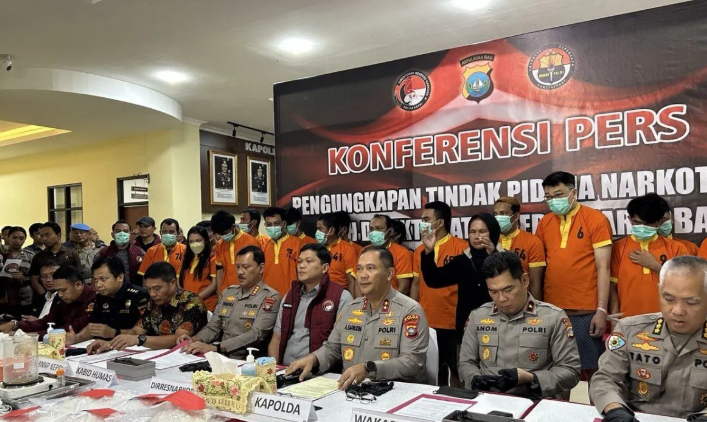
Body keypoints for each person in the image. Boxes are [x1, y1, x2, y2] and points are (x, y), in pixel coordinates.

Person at [286, 247, 429, 387]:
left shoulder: (409, 310)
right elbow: (332, 349)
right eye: (359, 269)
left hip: (395, 390)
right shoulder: (351, 309)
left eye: (370, 268)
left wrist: (369, 369)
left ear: (389, 273)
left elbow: (411, 361)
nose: (363, 275)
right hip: (351, 390)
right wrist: (313, 359)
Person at [590, 256, 707, 420]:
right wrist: (615, 410)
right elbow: (606, 378)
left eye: (691, 302)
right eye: (669, 299)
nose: (678, 311)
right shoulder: (630, 330)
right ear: (659, 291)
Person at [459, 252, 580, 398]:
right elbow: (466, 363)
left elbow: (570, 370)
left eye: (508, 289)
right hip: (488, 400)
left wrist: (533, 379)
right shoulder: (478, 317)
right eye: (493, 292)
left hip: (535, 401)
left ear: (524, 280)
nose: (501, 298)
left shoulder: (553, 318)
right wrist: (474, 378)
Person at [535, 171, 612, 380]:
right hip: (552, 312)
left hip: (586, 310)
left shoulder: (595, 219)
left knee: (593, 371)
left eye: (558, 195)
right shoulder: (544, 223)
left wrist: (601, 310)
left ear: (574, 193)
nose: (553, 201)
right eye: (548, 197)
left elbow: (604, 268)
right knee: (557, 371)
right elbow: (539, 269)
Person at [180, 246, 280, 358]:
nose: (240, 272)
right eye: (237, 267)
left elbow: (256, 334)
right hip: (220, 356)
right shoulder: (229, 292)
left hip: (248, 359)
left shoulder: (270, 296)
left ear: (261, 268)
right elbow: (213, 326)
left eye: (246, 267)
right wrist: (194, 339)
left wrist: (216, 347)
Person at [88, 262, 207, 353]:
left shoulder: (191, 301)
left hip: (189, 356)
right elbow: (136, 331)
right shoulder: (153, 302)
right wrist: (112, 344)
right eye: (149, 289)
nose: (152, 294)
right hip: (160, 355)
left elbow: (179, 339)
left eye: (157, 288)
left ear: (172, 283)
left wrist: (140, 339)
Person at [412, 201, 469, 387]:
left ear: (440, 222)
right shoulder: (419, 250)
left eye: (426, 219)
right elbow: (416, 283)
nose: (422, 223)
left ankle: (459, 401)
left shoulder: (462, 247)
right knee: (434, 371)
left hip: (453, 321)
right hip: (426, 322)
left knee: (457, 370)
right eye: (422, 219)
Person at [268, 244, 353, 365]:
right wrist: (274, 369)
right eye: (299, 261)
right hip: (285, 370)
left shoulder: (341, 297)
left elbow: (340, 345)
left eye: (309, 261)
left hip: (319, 371)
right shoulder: (290, 295)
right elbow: (276, 339)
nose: (301, 266)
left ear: (324, 268)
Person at [420, 213, 498, 340]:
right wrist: (429, 252)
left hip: (498, 324)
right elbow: (433, 280)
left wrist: (493, 255)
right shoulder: (463, 260)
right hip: (468, 329)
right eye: (472, 232)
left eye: (482, 231)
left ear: (493, 232)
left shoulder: (505, 257)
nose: (477, 236)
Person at [610, 194, 688, 318]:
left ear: (660, 222)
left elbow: (685, 286)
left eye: (648, 224)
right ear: (629, 219)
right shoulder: (618, 248)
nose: (642, 227)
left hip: (668, 319)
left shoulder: (676, 248)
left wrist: (656, 266)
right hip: (629, 319)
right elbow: (612, 288)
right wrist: (615, 319)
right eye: (637, 222)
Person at [67, 257, 149, 345]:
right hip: (106, 346)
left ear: (120, 277)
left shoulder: (139, 296)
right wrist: (76, 338)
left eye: (103, 279)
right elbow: (93, 327)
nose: (98, 285)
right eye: (95, 280)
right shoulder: (100, 297)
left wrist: (113, 333)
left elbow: (139, 332)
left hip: (136, 347)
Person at [0, 265, 95, 338]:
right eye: (57, 291)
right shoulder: (65, 299)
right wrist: (15, 324)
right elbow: (44, 322)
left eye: (63, 290)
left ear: (78, 285)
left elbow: (73, 329)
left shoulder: (94, 299)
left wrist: (31, 335)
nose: (60, 295)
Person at [493, 197, 547, 300]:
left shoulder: (533, 242)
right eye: (495, 214)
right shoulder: (488, 241)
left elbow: (535, 284)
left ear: (516, 216)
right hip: (493, 302)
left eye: (503, 213)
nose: (498, 217)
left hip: (523, 302)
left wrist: (535, 308)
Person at [28, 222, 81, 303]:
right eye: (42, 236)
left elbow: (77, 277)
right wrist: (44, 296)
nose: (44, 239)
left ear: (58, 235)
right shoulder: (38, 257)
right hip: (45, 298)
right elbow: (34, 280)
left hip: (67, 297)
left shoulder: (72, 254)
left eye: (47, 235)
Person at [211, 210, 259, 293]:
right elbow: (220, 271)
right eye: (220, 234)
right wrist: (219, 293)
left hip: (247, 290)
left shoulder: (251, 242)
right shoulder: (219, 245)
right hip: (227, 290)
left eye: (225, 233)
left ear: (233, 226)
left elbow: (256, 271)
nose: (223, 236)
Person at [366, 214, 414, 296]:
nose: (374, 232)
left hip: (392, 301)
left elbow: (404, 288)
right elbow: (359, 283)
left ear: (390, 231)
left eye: (379, 229)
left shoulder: (402, 253)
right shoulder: (364, 251)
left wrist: (384, 302)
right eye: (371, 229)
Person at [262, 207, 302, 296]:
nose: (273, 227)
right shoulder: (263, 247)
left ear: (283, 224)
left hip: (290, 296)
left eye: (276, 223)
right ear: (265, 225)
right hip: (267, 297)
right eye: (269, 224)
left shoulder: (298, 244)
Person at [315, 213, 358, 293]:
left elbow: (351, 282)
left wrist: (351, 300)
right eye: (317, 229)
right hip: (317, 294)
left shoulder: (347, 249)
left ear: (331, 230)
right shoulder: (315, 249)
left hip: (339, 295)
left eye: (320, 229)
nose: (317, 232)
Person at [180, 226, 217, 311]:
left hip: (207, 306)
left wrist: (195, 298)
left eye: (198, 240)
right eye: (191, 241)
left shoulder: (212, 258)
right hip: (188, 305)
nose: (195, 244)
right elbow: (180, 281)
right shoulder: (186, 259)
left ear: (206, 241)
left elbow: (214, 285)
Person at [97, 220, 145, 286]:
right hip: (111, 289)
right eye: (118, 231)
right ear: (112, 234)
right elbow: (95, 274)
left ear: (130, 234)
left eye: (125, 231)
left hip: (134, 289)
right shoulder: (103, 253)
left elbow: (146, 274)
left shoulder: (139, 252)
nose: (122, 234)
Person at [0, 227, 34, 316]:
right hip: (3, 295)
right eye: (14, 237)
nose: (18, 241)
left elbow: (34, 277)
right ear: (8, 237)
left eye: (21, 238)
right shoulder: (1, 253)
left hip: (24, 297)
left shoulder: (30, 256)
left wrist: (23, 277)